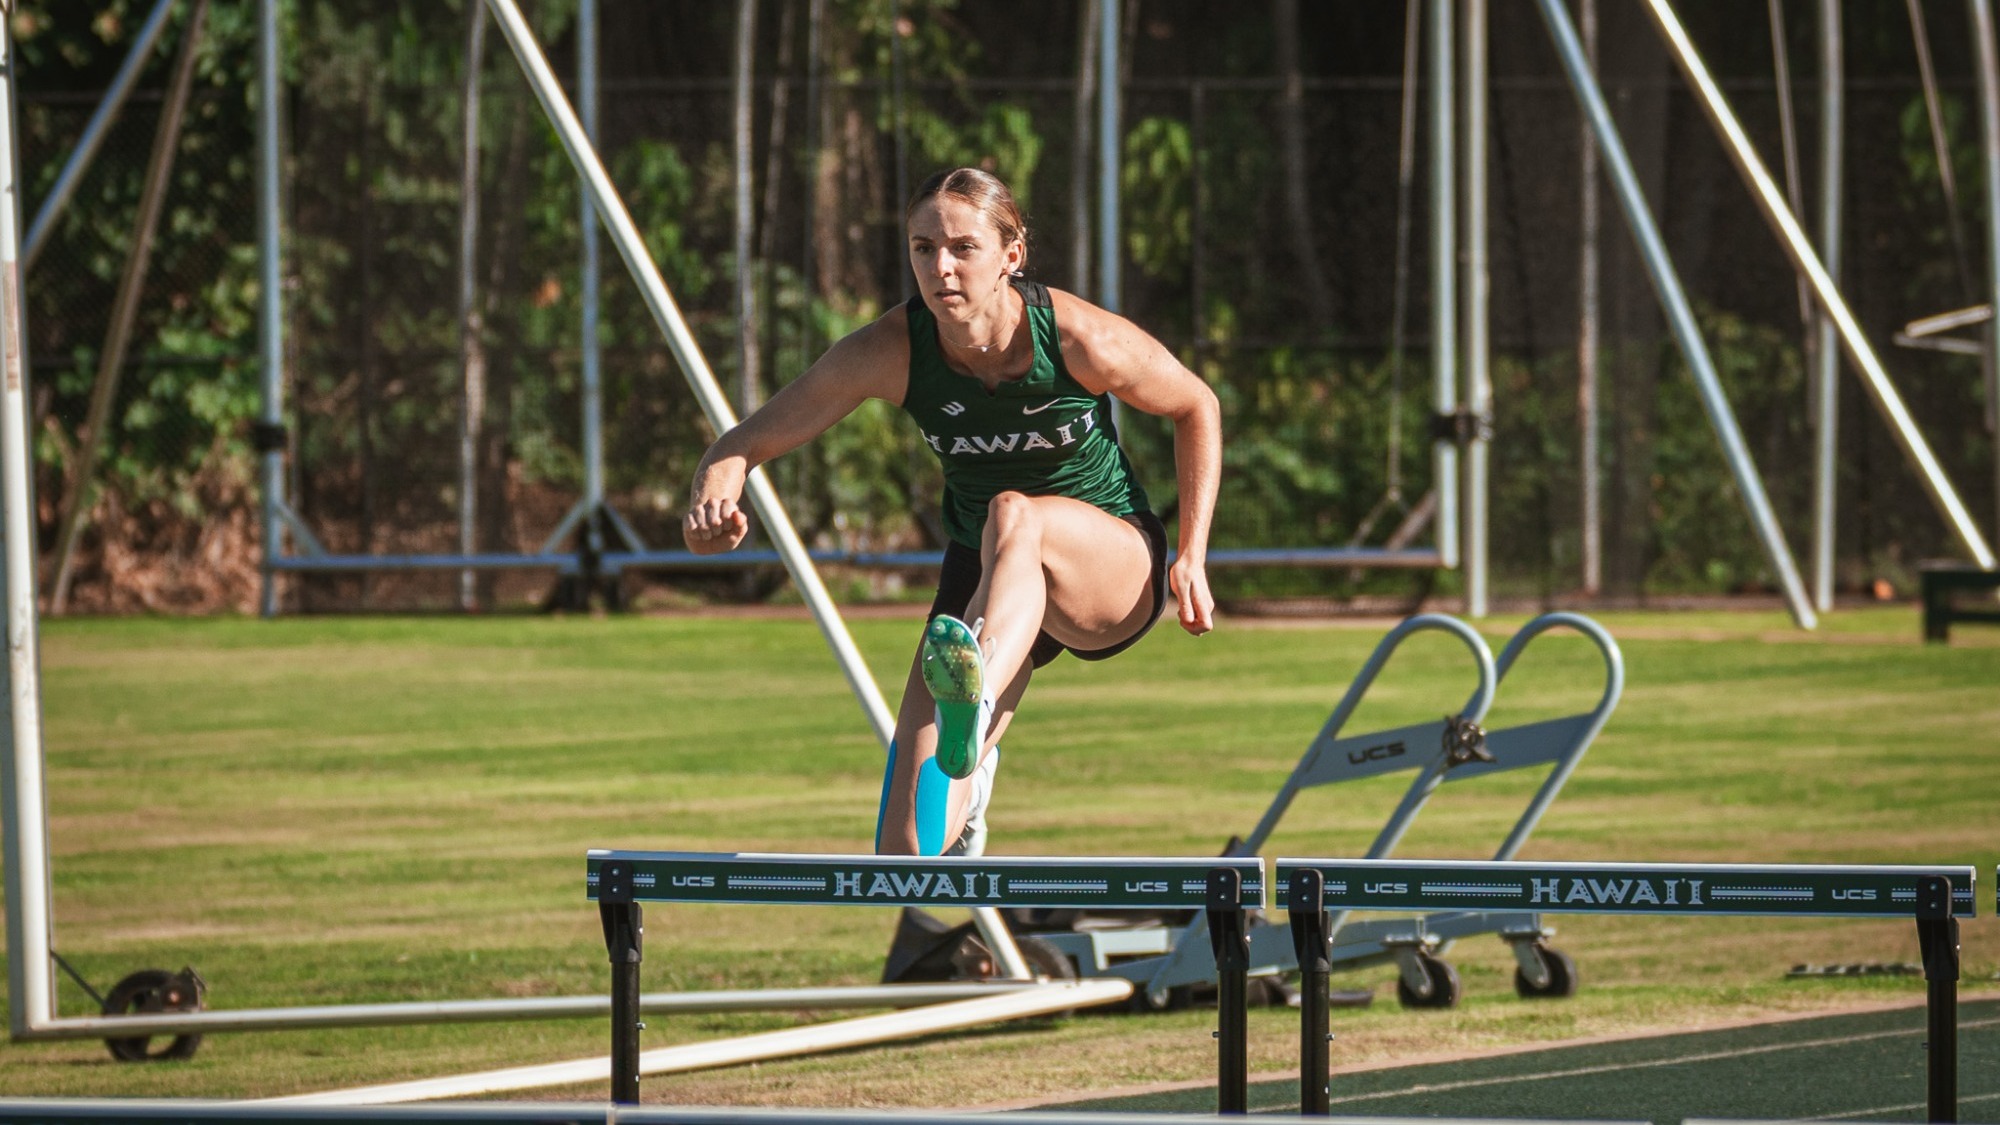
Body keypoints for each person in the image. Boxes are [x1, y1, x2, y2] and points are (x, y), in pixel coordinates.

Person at [683, 167, 1220, 857]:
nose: (940, 268)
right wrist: (712, 499)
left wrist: (1195, 554)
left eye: (963, 248)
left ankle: (977, 692)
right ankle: (969, 784)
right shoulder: (893, 348)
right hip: (985, 575)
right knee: (907, 847)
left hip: (1108, 567)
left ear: (1011, 257)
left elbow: (1195, 403)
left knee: (1013, 512)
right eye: (921, 248)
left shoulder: (1079, 336)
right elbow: (742, 444)